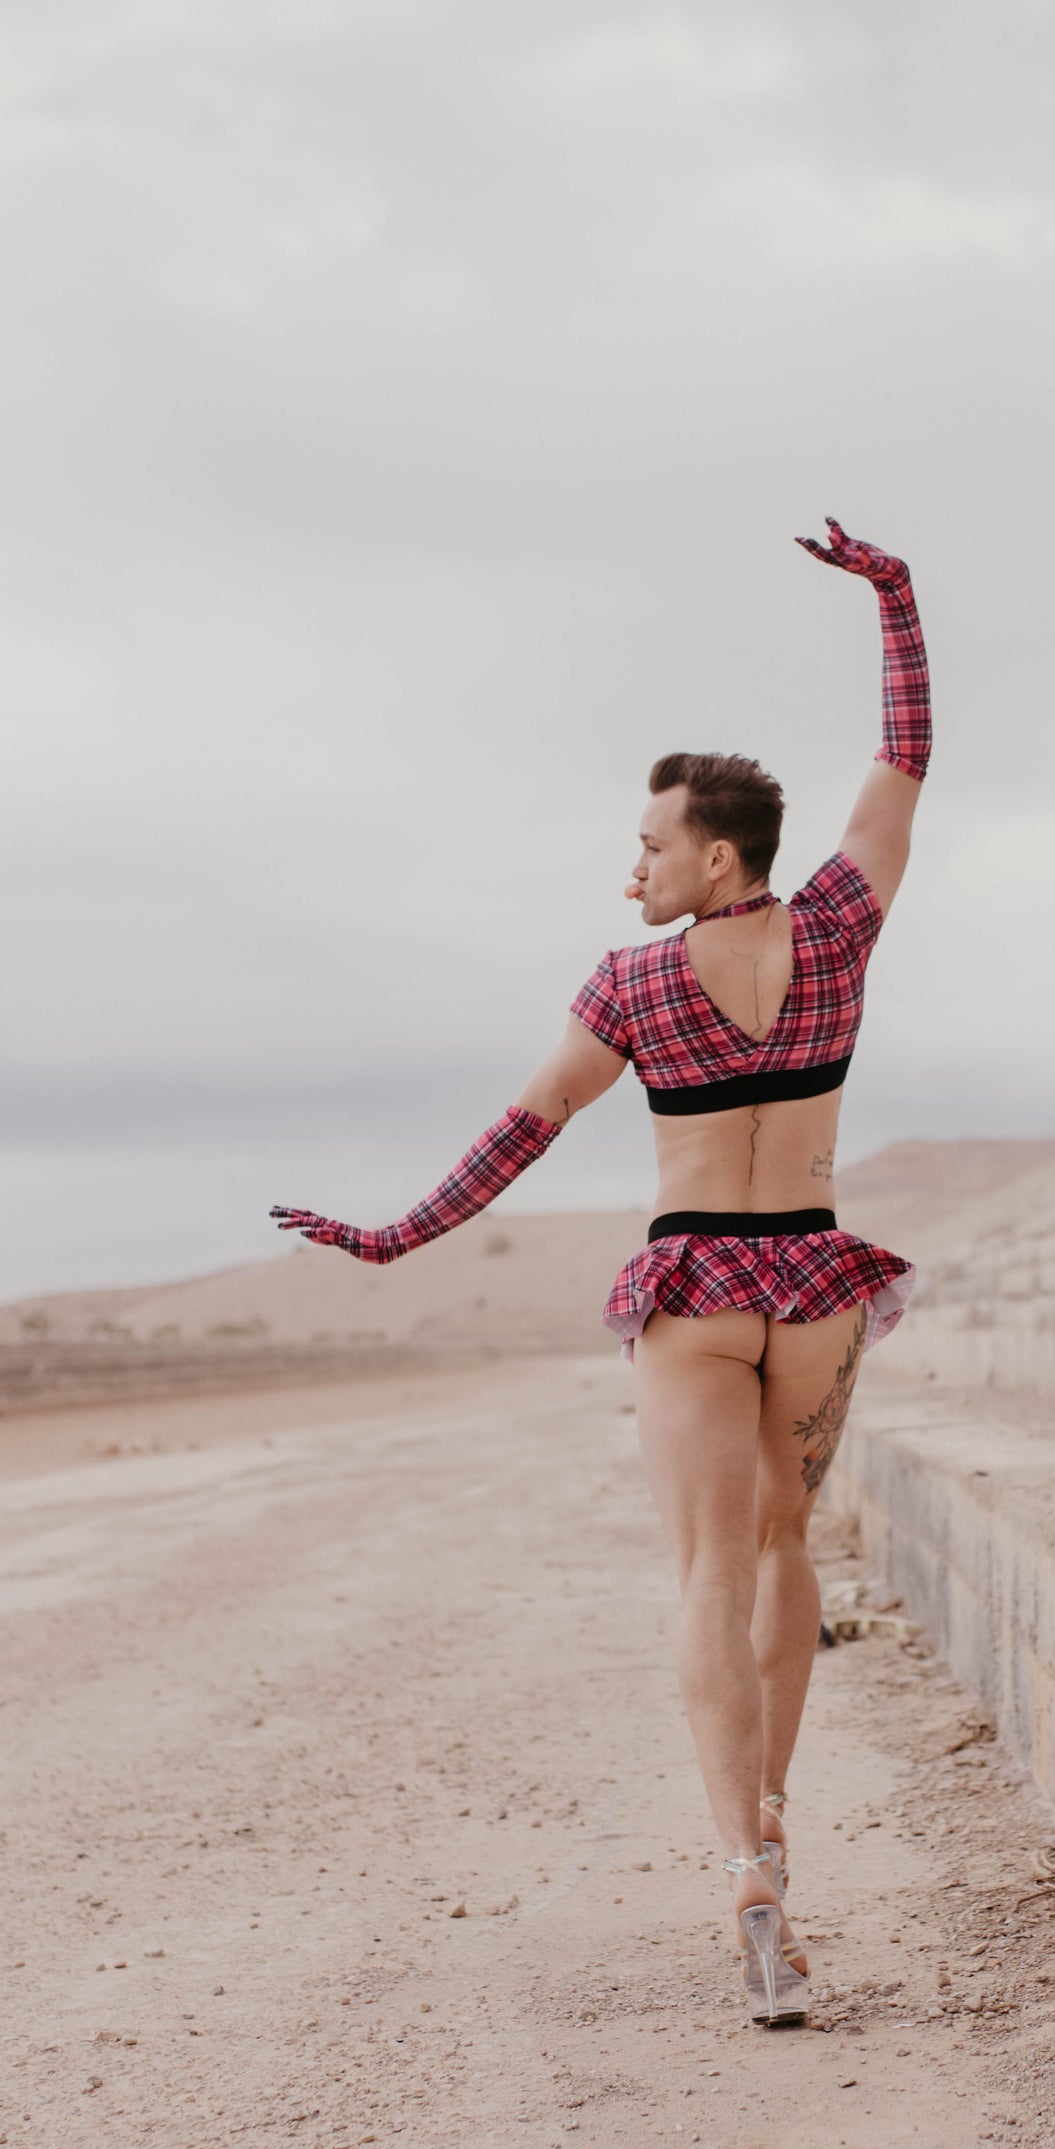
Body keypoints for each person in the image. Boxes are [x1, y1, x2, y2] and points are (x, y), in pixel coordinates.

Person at [270, 520, 931, 2027]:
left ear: (715, 855)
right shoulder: (839, 930)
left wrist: (394, 1236)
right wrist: (895, 599)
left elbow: (528, 1127)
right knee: (785, 1548)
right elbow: (903, 764)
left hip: (696, 1289)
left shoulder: (629, 982)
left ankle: (745, 1871)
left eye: (650, 845)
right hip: (815, 1281)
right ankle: (776, 1809)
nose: (631, 866)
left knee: (708, 1571)